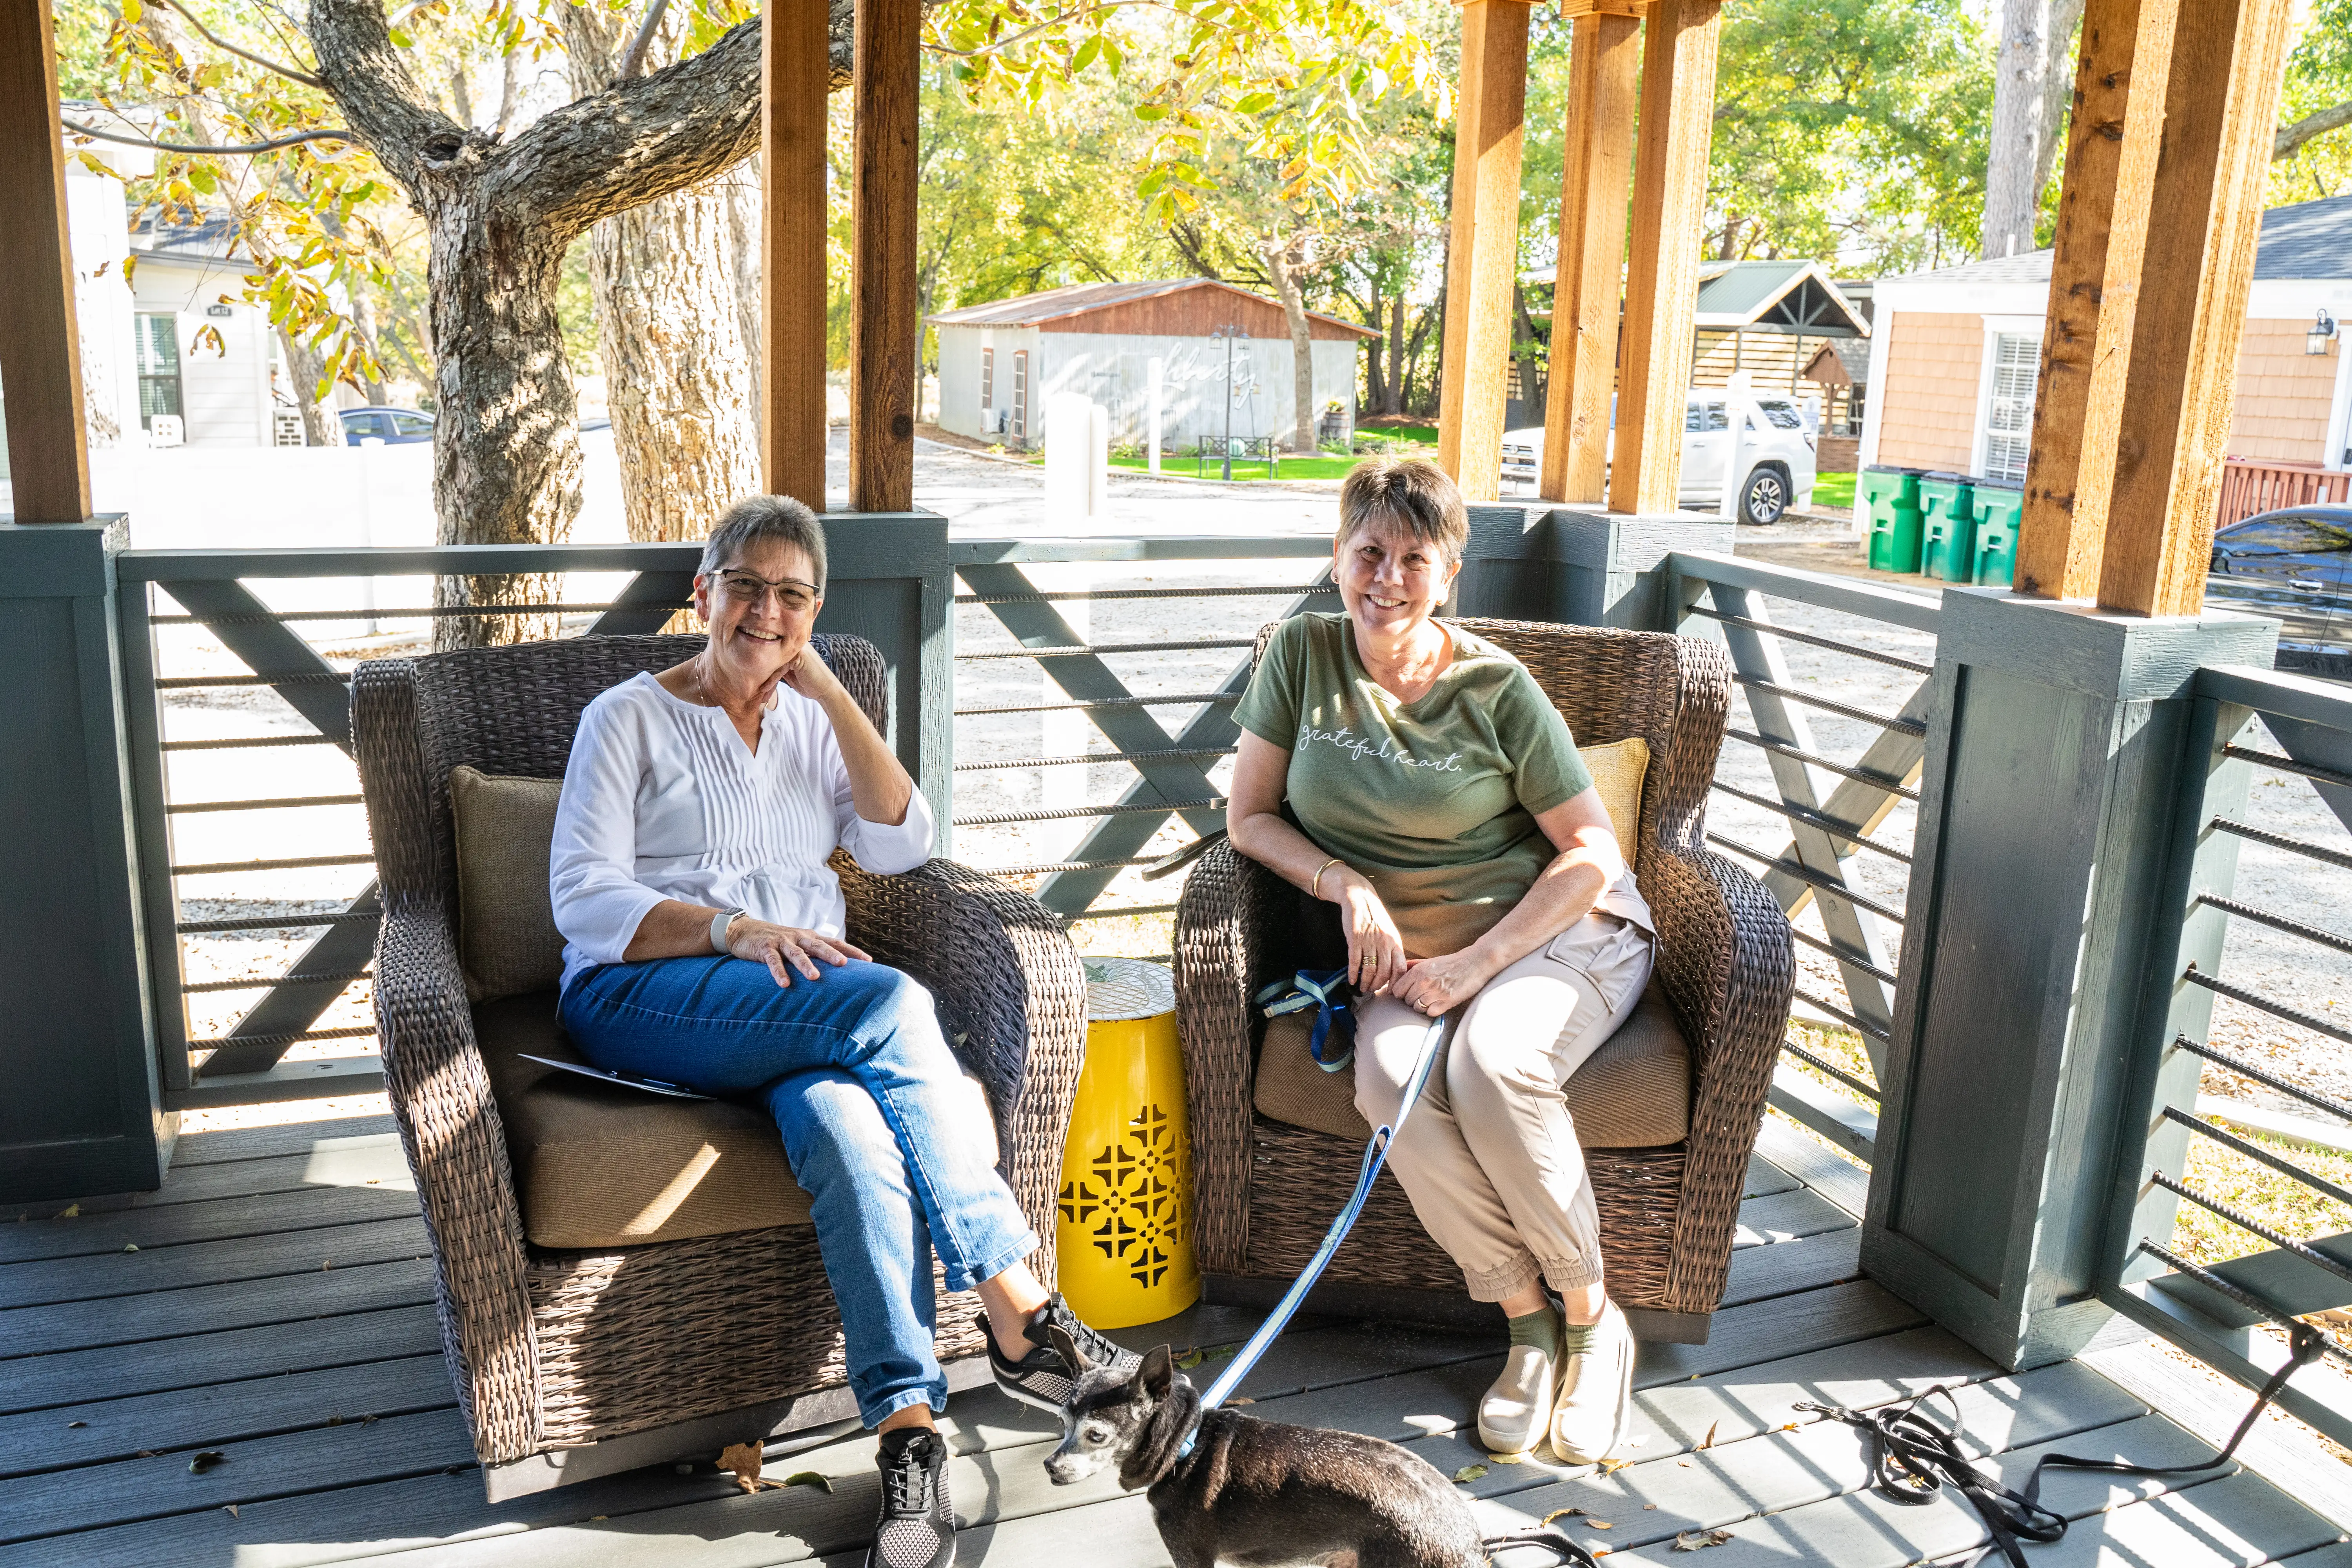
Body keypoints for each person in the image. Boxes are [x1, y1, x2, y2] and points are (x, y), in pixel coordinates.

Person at [548, 495, 1134, 1568]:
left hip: (797, 1017)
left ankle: (908, 1440)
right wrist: (730, 928)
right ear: (703, 590)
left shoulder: (813, 716)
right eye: (746, 586)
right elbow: (583, 899)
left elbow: (906, 844)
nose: (765, 612)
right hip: (644, 998)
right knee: (893, 1002)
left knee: (855, 1139)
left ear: (813, 609)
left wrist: (826, 686)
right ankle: (1020, 1307)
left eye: (793, 595)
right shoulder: (626, 717)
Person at [1225, 457, 1655, 1463]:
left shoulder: (1496, 686)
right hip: (1403, 956)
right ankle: (1525, 1321)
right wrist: (1347, 885)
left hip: (1550, 934)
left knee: (1493, 1061)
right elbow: (1247, 817)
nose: (1387, 577)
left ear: (1449, 573)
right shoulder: (1301, 655)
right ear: (1336, 559)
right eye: (1368, 551)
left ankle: (1594, 1316)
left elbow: (1594, 853)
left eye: (1414, 557)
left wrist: (1479, 963)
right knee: (1393, 1076)